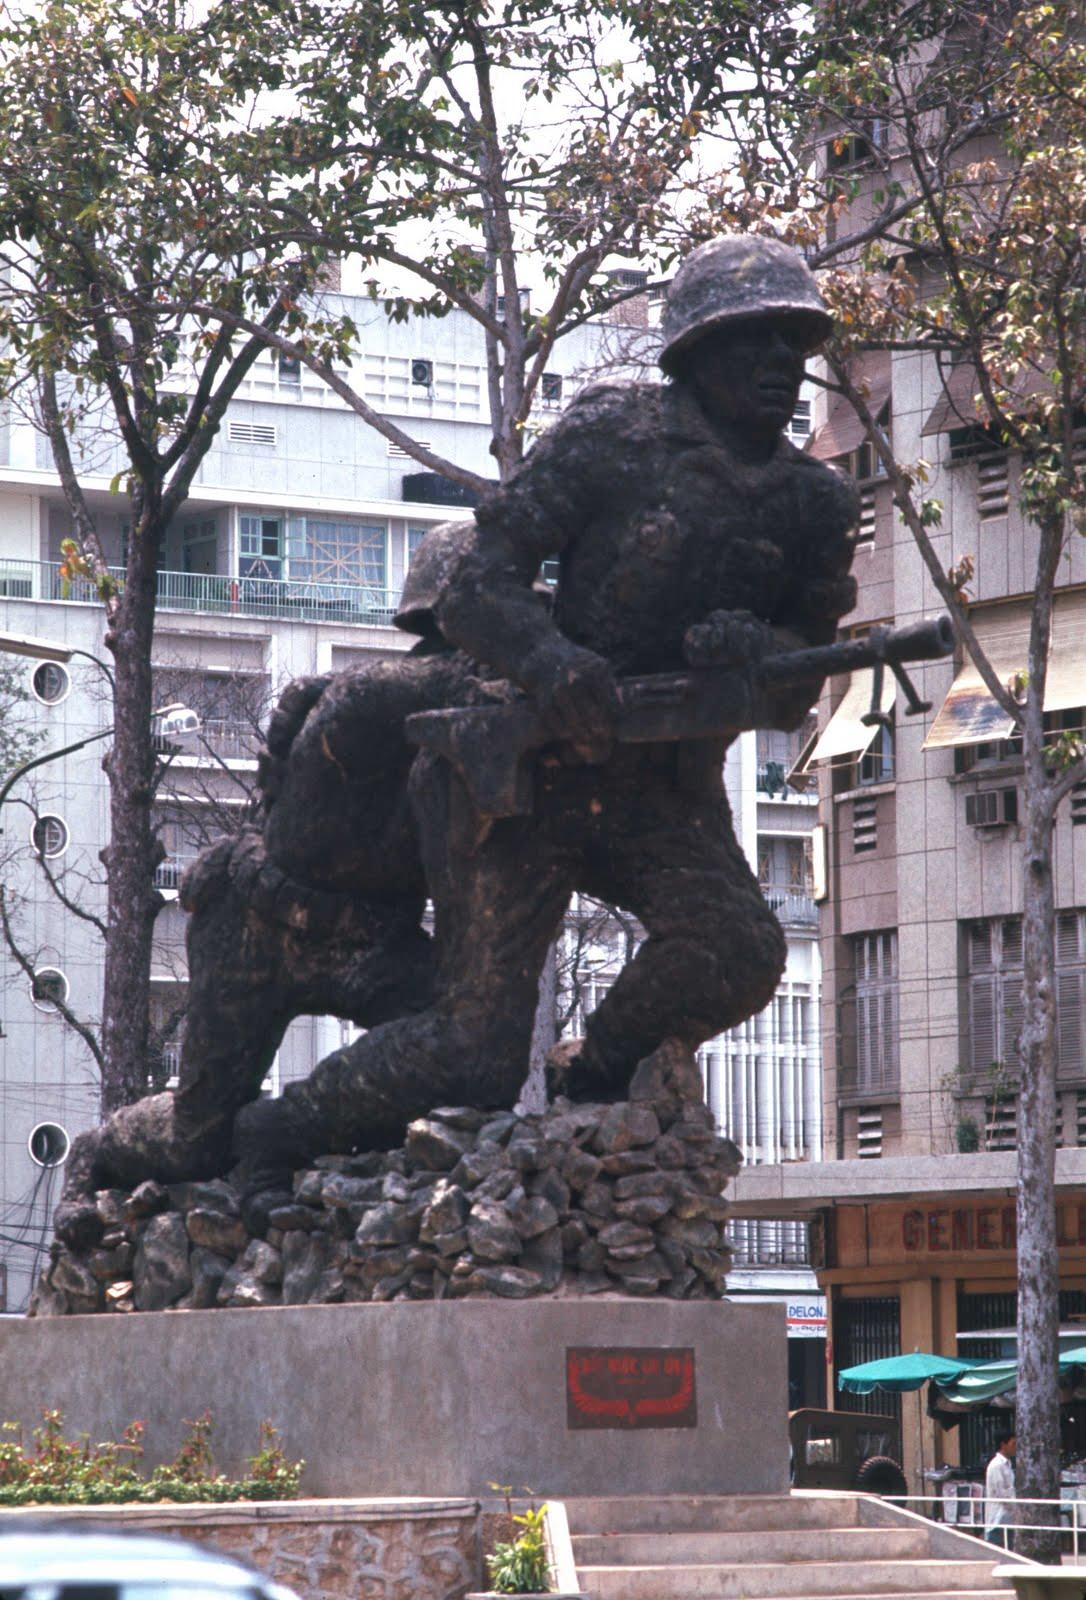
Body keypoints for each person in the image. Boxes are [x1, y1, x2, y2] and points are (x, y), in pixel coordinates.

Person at [229, 232, 862, 1189]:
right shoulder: (615, 436)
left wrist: (758, 655)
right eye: (754, 342)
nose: (781, 365)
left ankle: (592, 1075)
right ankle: (279, 1132)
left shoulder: (814, 504)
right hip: (531, 778)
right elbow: (478, 585)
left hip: (664, 793)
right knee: (474, 1051)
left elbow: (800, 675)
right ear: (693, 352)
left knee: (739, 950)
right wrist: (552, 660)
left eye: (794, 345)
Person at [984, 1430, 1016, 1547]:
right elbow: (1002, 1493)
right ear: (1003, 1445)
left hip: (1008, 1519)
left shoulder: (1007, 1464)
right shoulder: (997, 1465)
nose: (1015, 1448)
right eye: (1013, 1444)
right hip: (998, 1519)